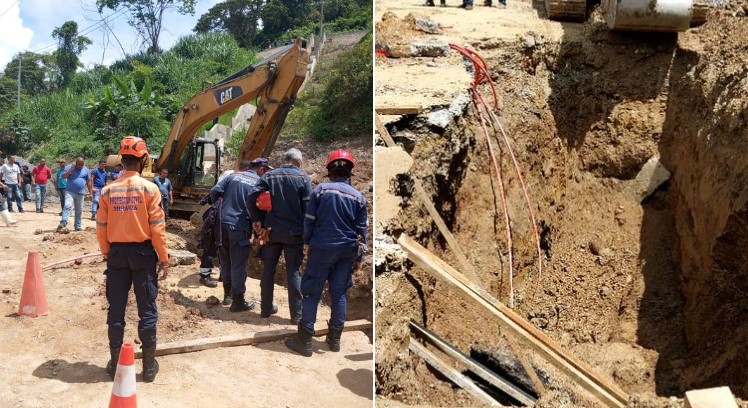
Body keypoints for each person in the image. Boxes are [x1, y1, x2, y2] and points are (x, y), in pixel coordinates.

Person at [96, 135, 169, 383]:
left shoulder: (107, 191)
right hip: (143, 255)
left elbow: (101, 227)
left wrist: (108, 253)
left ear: (121, 160)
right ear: (144, 159)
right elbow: (158, 227)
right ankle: (148, 368)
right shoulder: (150, 189)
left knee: (116, 310)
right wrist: (164, 257)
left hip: (116, 254)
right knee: (147, 309)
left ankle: (115, 362)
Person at [285, 149, 367, 357]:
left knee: (312, 292)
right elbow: (362, 231)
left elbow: (309, 220)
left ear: (329, 170)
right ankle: (334, 340)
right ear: (350, 172)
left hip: (322, 247)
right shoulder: (359, 197)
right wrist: (358, 258)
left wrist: (307, 243)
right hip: (347, 250)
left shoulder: (321, 190)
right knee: (339, 293)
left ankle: (304, 341)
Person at [248, 149, 312, 323]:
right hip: (295, 233)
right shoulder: (303, 178)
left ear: (285, 159)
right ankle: (296, 316)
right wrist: (308, 235)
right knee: (293, 272)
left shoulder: (269, 176)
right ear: (299, 161)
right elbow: (308, 209)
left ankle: (265, 310)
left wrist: (257, 220)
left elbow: (251, 196)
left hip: (271, 232)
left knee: (268, 269)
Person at [209, 160, 260, 311]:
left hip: (222, 223)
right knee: (238, 263)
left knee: (225, 260)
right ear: (257, 170)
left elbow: (214, 191)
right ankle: (238, 302)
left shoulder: (232, 176)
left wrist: (218, 207)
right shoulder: (257, 181)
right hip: (240, 225)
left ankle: (228, 296)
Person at [58, 157, 91, 232]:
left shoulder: (86, 170)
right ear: (76, 163)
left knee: (79, 210)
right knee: (68, 205)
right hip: (70, 192)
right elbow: (62, 177)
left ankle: (77, 226)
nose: (80, 166)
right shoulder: (69, 167)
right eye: (78, 164)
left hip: (81, 193)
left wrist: (90, 192)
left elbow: (88, 181)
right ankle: (63, 222)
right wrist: (69, 171)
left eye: (81, 165)